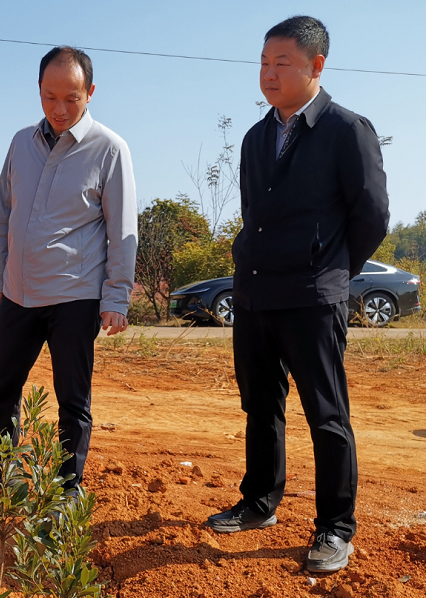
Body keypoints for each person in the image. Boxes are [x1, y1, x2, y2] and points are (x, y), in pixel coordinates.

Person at [205, 16, 390, 573]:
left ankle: (335, 528)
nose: (268, 73)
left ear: (316, 66)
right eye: (263, 63)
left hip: (313, 297)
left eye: (281, 63)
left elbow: (373, 216)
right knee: (261, 406)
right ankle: (260, 502)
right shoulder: (256, 137)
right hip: (256, 293)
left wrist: (330, 268)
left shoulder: (346, 129)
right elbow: (253, 215)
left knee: (326, 415)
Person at [0, 46, 137, 496]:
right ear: (39, 92)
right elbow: (3, 214)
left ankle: (67, 488)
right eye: (50, 97)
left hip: (75, 294)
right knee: (1, 389)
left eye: (71, 98)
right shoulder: (20, 143)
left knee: (72, 399)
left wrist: (116, 299)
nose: (60, 109)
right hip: (18, 294)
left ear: (90, 92)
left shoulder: (109, 149)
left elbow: (122, 228)